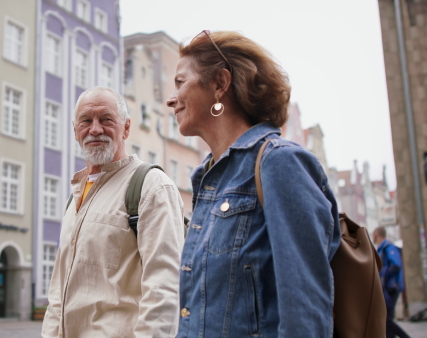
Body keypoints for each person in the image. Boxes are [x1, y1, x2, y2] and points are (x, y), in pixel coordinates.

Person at [165, 30, 341, 337]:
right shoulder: (209, 181)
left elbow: (305, 313)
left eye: (181, 83)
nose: (171, 99)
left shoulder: (279, 163)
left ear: (220, 84)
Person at [41, 87, 185, 337]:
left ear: (126, 128)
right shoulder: (75, 195)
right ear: (75, 131)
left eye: (106, 120)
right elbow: (58, 291)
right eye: (86, 121)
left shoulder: (151, 186)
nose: (95, 129)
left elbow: (164, 288)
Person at [373, 226, 410, 338]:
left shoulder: (388, 247)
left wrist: (387, 281)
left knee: (386, 319)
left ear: (377, 235)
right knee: (386, 319)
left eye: (373, 235)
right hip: (387, 288)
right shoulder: (381, 248)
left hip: (391, 288)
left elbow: (395, 266)